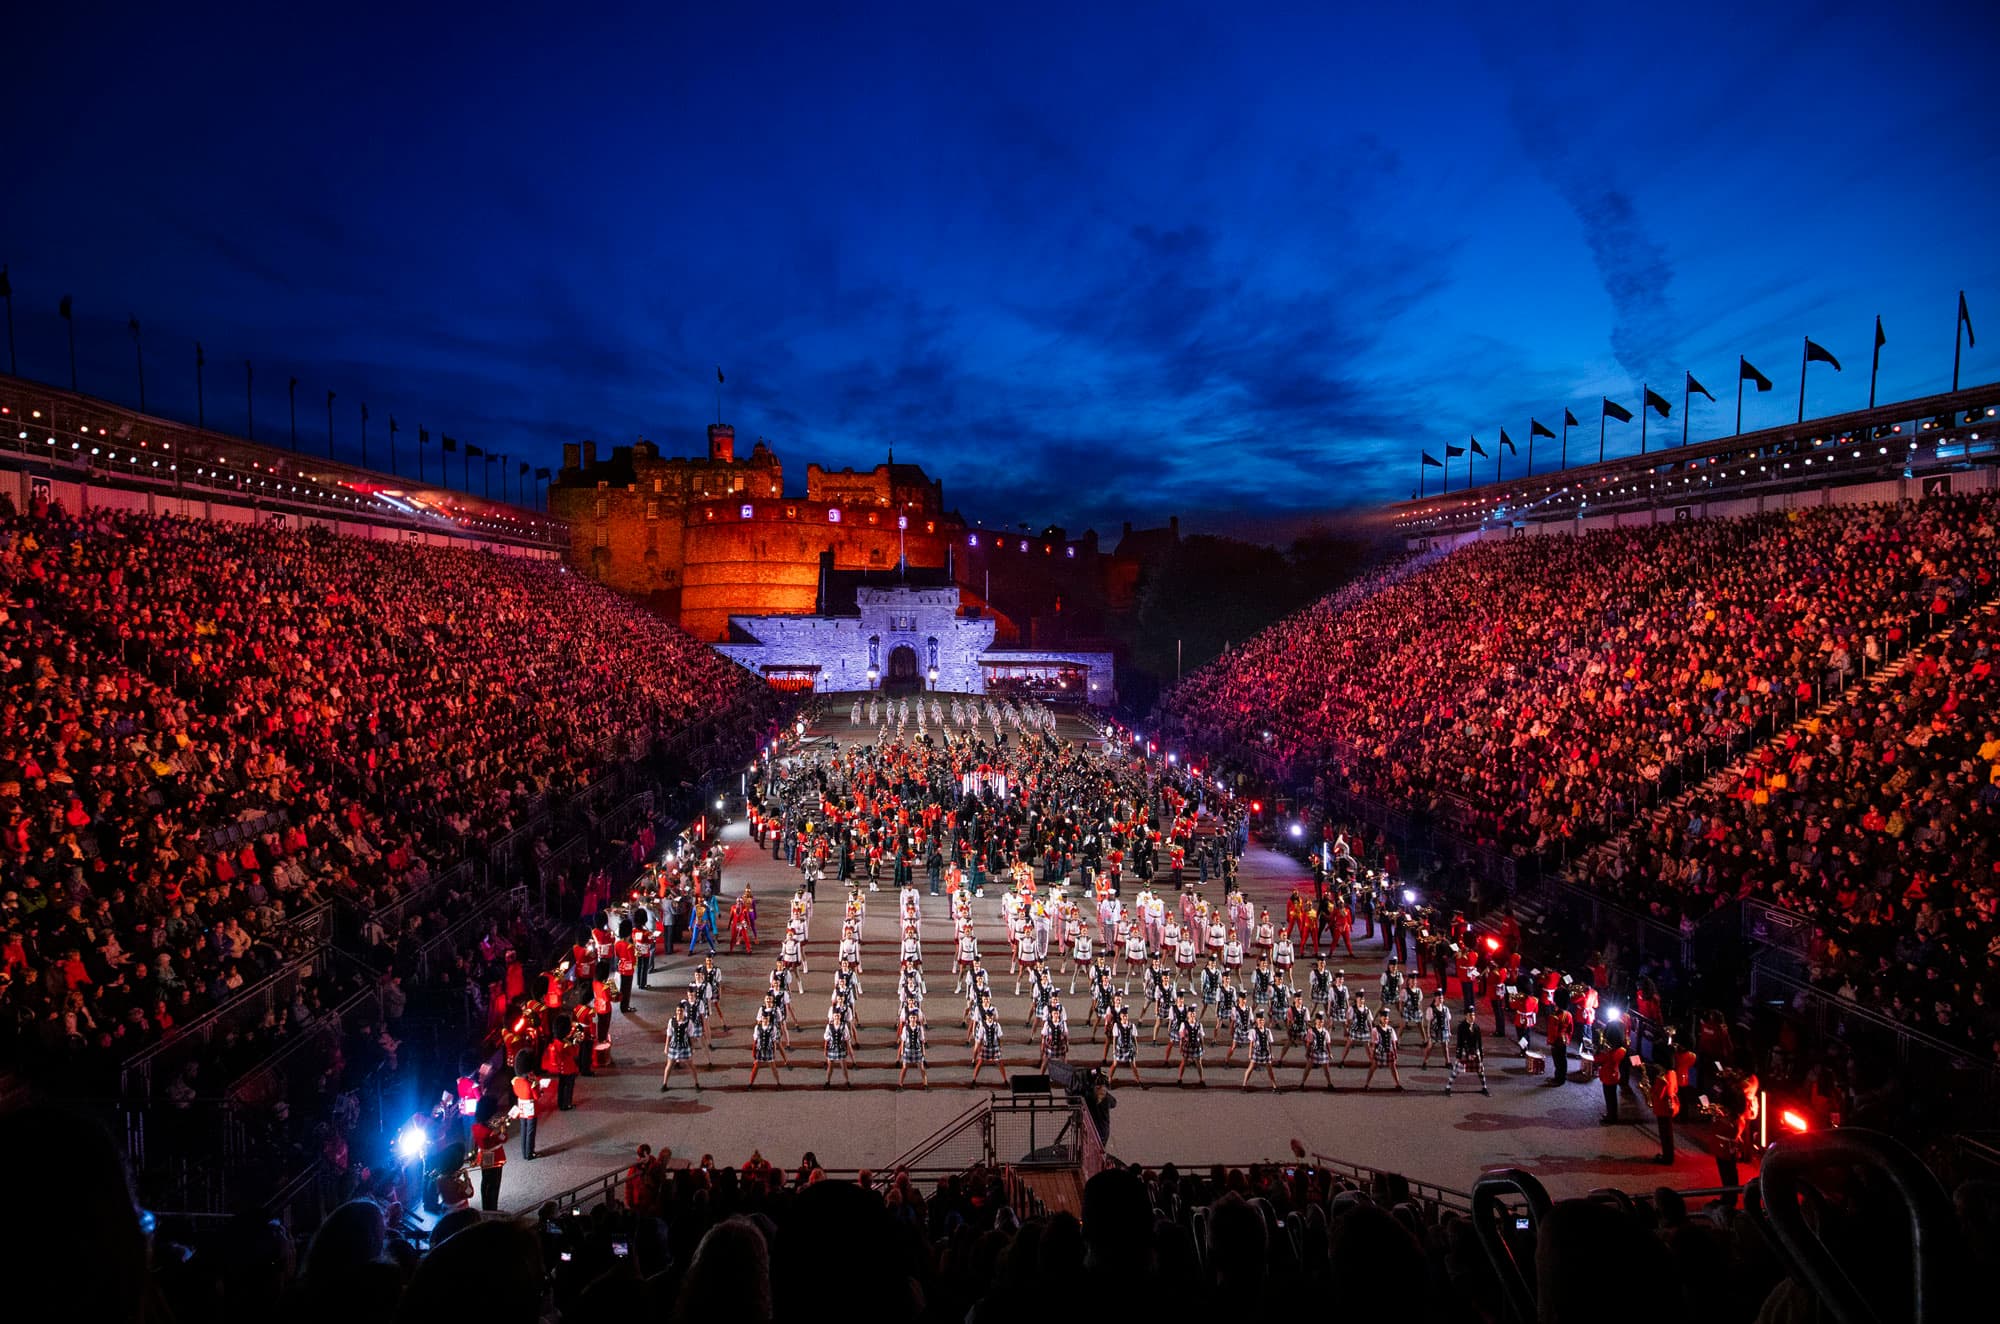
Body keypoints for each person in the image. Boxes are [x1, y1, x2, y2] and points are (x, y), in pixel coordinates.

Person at [471, 1109, 506, 1211]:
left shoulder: (476, 1127)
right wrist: (502, 1126)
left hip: (484, 1155)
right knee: (494, 1184)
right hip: (495, 1158)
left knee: (486, 1181)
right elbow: (503, 1138)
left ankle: (486, 1207)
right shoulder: (491, 1132)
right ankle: (493, 1209)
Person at [662, 1003, 700, 1091]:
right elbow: (669, 1034)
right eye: (678, 1011)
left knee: (691, 1065)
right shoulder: (671, 1021)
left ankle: (696, 1083)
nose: (679, 1013)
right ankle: (664, 1084)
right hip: (673, 1046)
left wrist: (692, 1047)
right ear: (676, 1011)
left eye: (681, 1011)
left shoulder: (688, 1022)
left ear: (684, 1012)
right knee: (669, 1065)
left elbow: (690, 1036)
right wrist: (666, 1047)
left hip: (684, 1047)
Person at [1363, 1006, 1402, 1091]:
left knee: (1393, 1067)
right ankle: (1367, 1084)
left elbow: (1393, 1042)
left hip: (1389, 1051)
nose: (1385, 1019)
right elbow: (1374, 1044)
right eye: (1384, 1018)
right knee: (1373, 1067)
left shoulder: (1391, 1029)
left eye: (1386, 1018)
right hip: (1379, 1052)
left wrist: (1395, 1053)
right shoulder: (1375, 1030)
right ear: (1380, 1018)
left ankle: (1397, 1084)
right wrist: (1372, 1054)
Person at [1449, 1011, 1488, 1096]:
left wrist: (1481, 1054)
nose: (1472, 1017)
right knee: (1456, 1070)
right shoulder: (1461, 1027)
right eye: (1470, 1015)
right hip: (1465, 1050)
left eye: (1473, 1015)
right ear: (1466, 1016)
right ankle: (1448, 1087)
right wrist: (1459, 1054)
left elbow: (1479, 1042)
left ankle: (1484, 1087)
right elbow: (1459, 1042)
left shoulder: (1476, 1027)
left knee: (1480, 1070)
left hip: (1475, 1051)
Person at [1649, 1061, 1679, 1163]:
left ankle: (1667, 1157)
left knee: (1665, 1134)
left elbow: (1659, 1094)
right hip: (1669, 1106)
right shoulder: (1672, 1073)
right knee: (1668, 1132)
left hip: (1663, 1107)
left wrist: (1650, 1089)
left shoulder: (1663, 1077)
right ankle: (1668, 1156)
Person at [1597, 1032, 1626, 1124]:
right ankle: (1611, 1115)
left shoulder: (1612, 1052)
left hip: (1608, 1076)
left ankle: (1611, 1117)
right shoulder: (1621, 1050)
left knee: (1610, 1098)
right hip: (1614, 1075)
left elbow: (1600, 1059)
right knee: (1612, 1097)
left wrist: (1601, 1050)